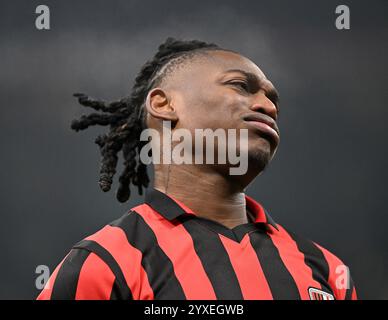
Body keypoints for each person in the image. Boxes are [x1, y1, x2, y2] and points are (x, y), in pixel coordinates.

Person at [37, 37, 357, 300]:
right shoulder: (104, 264)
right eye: (241, 86)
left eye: (273, 99)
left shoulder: (327, 270)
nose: (269, 106)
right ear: (164, 105)